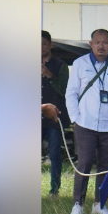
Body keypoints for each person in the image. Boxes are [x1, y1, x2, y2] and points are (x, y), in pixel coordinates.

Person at [65, 29, 108, 214]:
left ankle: (99, 204)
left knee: (106, 166)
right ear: (90, 44)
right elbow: (71, 93)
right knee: (84, 164)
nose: (101, 46)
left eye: (105, 42)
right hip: (85, 124)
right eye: (97, 42)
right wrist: (75, 118)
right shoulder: (80, 64)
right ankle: (77, 205)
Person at [41, 30, 70, 198]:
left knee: (54, 154)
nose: (40, 47)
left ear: (50, 45)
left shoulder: (61, 65)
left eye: (44, 44)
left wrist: (49, 75)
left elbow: (65, 90)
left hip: (54, 117)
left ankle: (54, 190)